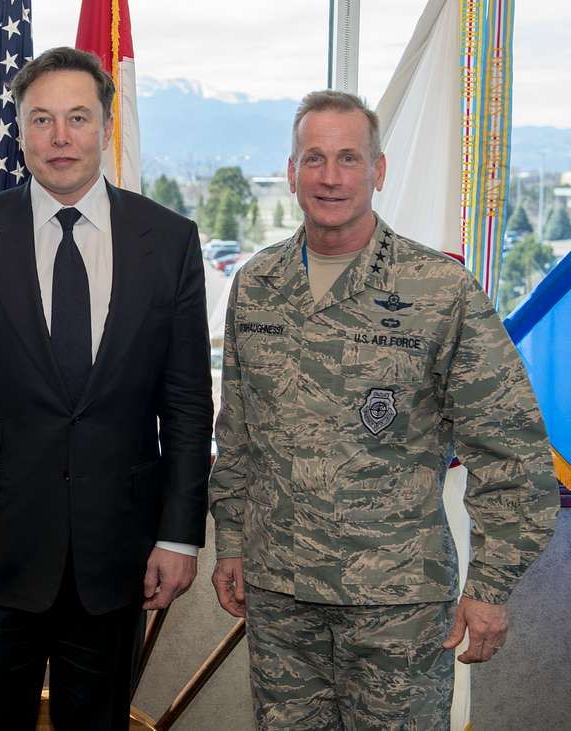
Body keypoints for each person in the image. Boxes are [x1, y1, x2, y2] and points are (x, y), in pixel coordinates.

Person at [209, 88, 559, 729]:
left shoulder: (439, 290)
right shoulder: (257, 285)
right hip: (280, 599)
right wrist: (230, 541)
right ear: (291, 172)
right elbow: (237, 433)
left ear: (379, 170)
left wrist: (489, 587)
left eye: (349, 158)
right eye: (314, 159)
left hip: (397, 607)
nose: (331, 176)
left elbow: (510, 449)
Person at [0, 47, 213, 730]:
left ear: (106, 126)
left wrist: (180, 536)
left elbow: (188, 403)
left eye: (78, 117)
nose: (60, 137)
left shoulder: (168, 240)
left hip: (119, 555)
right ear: (18, 130)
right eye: (41, 119)